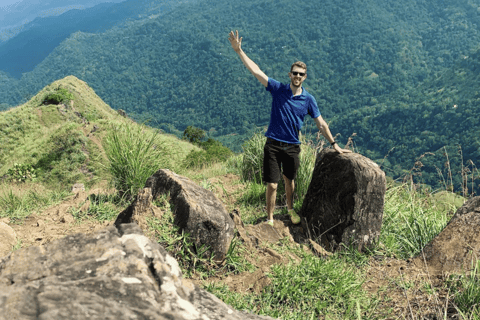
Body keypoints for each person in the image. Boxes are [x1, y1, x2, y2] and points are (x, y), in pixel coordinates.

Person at [228, 30, 351, 225]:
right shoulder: (278, 89)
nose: (297, 76)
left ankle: (291, 209)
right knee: (272, 184)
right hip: (273, 144)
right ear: (290, 74)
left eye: (301, 74)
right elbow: (257, 71)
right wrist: (239, 51)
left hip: (293, 146)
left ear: (305, 77)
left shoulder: (308, 99)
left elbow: (321, 123)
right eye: (294, 73)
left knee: (290, 181)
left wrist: (334, 144)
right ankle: (269, 219)